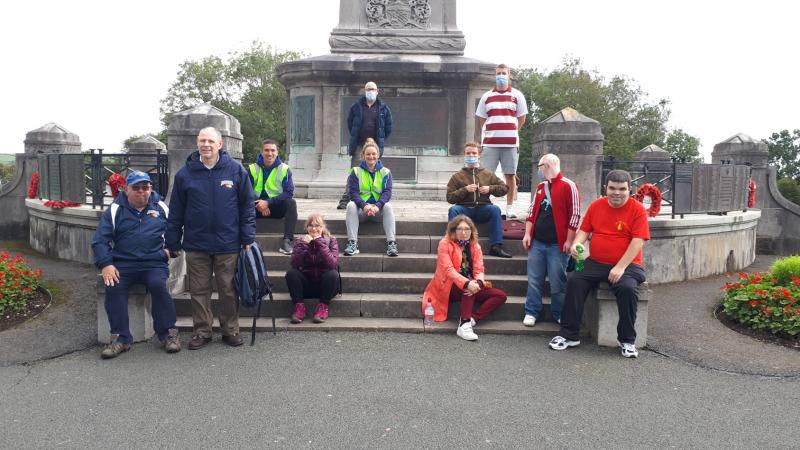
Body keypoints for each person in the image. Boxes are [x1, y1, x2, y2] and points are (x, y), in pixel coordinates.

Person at [166, 127, 256, 350]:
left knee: (228, 289)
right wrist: (172, 241)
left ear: (220, 144)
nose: (206, 145)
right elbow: (176, 211)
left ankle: (230, 329)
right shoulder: (185, 174)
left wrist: (247, 236)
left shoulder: (235, 170)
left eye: (210, 141)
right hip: (197, 243)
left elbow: (247, 207)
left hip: (228, 242)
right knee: (198, 290)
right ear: (197, 144)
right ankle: (202, 331)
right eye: (202, 141)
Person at [548, 170, 649, 358]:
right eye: (612, 188)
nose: (616, 193)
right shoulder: (596, 206)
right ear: (606, 188)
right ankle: (569, 335)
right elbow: (584, 231)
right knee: (574, 279)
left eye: (621, 189)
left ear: (630, 190)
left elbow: (638, 241)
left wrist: (619, 267)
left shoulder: (637, 210)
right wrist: (577, 245)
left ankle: (627, 340)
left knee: (627, 288)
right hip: (596, 262)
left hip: (628, 266)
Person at [92, 171, 180, 359]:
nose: (141, 192)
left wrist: (171, 250)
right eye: (136, 188)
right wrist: (106, 264)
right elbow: (100, 241)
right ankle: (120, 338)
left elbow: (175, 231)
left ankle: (168, 335)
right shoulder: (115, 210)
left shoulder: (161, 207)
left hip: (154, 263)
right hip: (124, 264)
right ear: (126, 189)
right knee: (113, 286)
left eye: (145, 187)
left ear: (151, 189)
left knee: (159, 286)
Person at [422, 215, 508, 341]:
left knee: (500, 295)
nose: (463, 233)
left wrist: (478, 282)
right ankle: (464, 324)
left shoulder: (475, 246)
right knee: (469, 288)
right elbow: (448, 270)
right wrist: (467, 283)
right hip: (448, 287)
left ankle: (473, 319)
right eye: (460, 229)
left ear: (471, 231)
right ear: (453, 230)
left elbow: (479, 269)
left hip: (470, 285)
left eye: (467, 229)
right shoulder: (444, 244)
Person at [521, 154, 581, 327]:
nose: (539, 170)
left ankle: (559, 312)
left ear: (547, 165)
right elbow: (532, 212)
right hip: (538, 241)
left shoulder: (569, 185)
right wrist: (527, 234)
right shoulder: (541, 186)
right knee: (534, 279)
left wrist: (569, 240)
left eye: (540, 166)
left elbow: (575, 215)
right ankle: (531, 311)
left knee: (558, 282)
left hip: (557, 243)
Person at [475, 63, 528, 219]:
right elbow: (482, 120)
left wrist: (511, 131)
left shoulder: (517, 95)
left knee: (510, 175)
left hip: (510, 144)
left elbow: (522, 118)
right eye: (498, 73)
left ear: (509, 74)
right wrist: (490, 134)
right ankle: (484, 203)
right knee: (485, 176)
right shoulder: (486, 96)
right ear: (494, 75)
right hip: (490, 143)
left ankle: (510, 207)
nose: (501, 76)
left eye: (504, 73)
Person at [446, 142, 512, 258]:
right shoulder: (457, 176)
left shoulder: (487, 174)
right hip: (464, 209)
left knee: (495, 209)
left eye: (474, 153)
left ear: (479, 155)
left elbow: (505, 188)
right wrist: (465, 190)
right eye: (468, 153)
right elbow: (450, 197)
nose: (471, 155)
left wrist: (490, 189)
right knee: (453, 209)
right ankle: (455, 246)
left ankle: (495, 246)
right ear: (464, 155)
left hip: (483, 208)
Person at [338, 81, 393, 209]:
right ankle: (346, 198)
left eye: (373, 89)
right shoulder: (356, 106)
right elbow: (350, 123)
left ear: (377, 91)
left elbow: (388, 127)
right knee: (354, 171)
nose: (370, 91)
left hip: (375, 144)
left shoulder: (384, 108)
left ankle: (375, 199)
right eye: (368, 89)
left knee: (374, 172)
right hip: (359, 144)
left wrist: (379, 139)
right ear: (364, 91)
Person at [343, 138, 398, 257]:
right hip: (361, 211)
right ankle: (353, 243)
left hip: (378, 212)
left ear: (378, 155)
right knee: (350, 205)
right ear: (363, 155)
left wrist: (377, 206)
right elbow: (353, 193)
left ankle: (391, 244)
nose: (371, 156)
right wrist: (364, 206)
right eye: (368, 154)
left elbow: (387, 193)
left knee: (388, 206)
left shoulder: (386, 172)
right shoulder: (355, 171)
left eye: (373, 154)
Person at [285, 214, 340, 323]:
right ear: (307, 227)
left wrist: (320, 242)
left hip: (326, 287)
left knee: (332, 274)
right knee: (291, 273)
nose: (314, 228)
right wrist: (304, 244)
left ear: (323, 227)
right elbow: (295, 263)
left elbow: (333, 264)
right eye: (310, 225)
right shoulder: (300, 241)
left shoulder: (331, 241)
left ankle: (323, 308)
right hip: (307, 286)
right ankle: (299, 308)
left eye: (317, 225)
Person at [247, 139, 297, 255]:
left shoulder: (284, 169)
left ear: (277, 152)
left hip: (276, 207)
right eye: (267, 150)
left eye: (272, 150)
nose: (270, 153)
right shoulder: (252, 169)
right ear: (261, 152)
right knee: (238, 204)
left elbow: (288, 192)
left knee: (291, 203)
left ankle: (287, 241)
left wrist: (268, 203)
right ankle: (245, 239)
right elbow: (245, 192)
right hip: (256, 208)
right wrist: (258, 204)